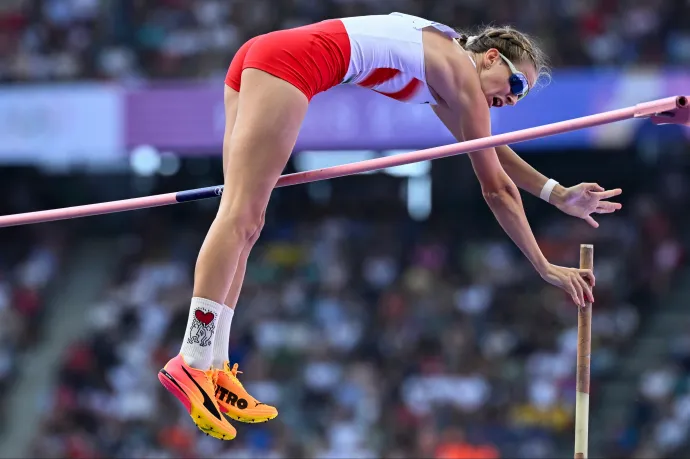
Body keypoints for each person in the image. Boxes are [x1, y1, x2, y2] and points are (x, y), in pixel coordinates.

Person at [157, 12, 623, 440]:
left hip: (267, 56)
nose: (511, 98)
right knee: (241, 215)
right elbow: (496, 189)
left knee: (246, 221)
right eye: (516, 83)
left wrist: (556, 193)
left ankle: (213, 365)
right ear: (492, 57)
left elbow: (492, 148)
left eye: (518, 96)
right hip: (290, 64)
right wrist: (543, 266)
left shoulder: (447, 73)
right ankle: (193, 359)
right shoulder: (459, 71)